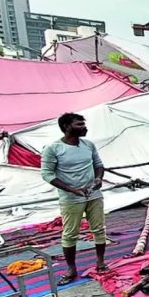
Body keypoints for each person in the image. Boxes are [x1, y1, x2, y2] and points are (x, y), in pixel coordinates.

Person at [40, 113, 108, 285]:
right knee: (70, 234)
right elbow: (46, 174)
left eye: (83, 124)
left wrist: (98, 179)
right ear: (67, 127)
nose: (84, 127)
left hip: (93, 195)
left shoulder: (88, 145)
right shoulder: (53, 148)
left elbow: (98, 165)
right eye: (79, 124)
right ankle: (71, 269)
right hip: (70, 199)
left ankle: (101, 263)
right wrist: (71, 189)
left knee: (99, 229)